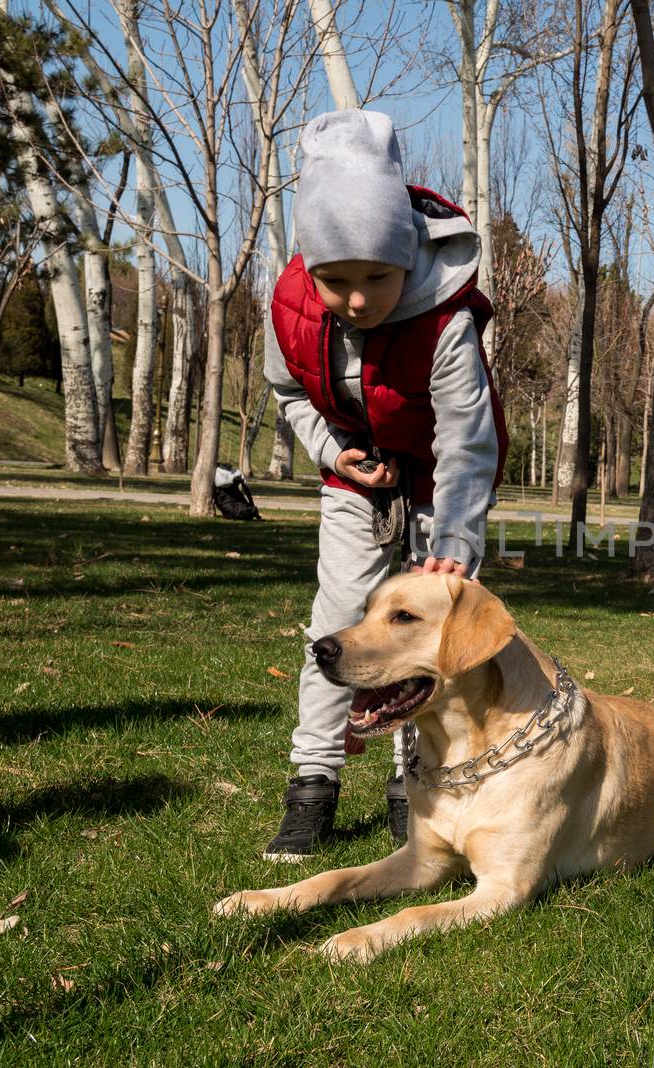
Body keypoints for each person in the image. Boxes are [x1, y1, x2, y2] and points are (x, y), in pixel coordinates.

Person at [262, 109, 508, 861]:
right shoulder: (289, 308)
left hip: (443, 483)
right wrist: (336, 453)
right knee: (340, 621)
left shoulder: (445, 322)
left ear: (408, 254)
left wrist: (455, 546)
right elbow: (290, 393)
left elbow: (467, 441)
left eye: (378, 277)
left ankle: (415, 786)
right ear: (310, 267)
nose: (360, 299)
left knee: (423, 637)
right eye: (338, 280)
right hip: (359, 475)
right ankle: (313, 783)